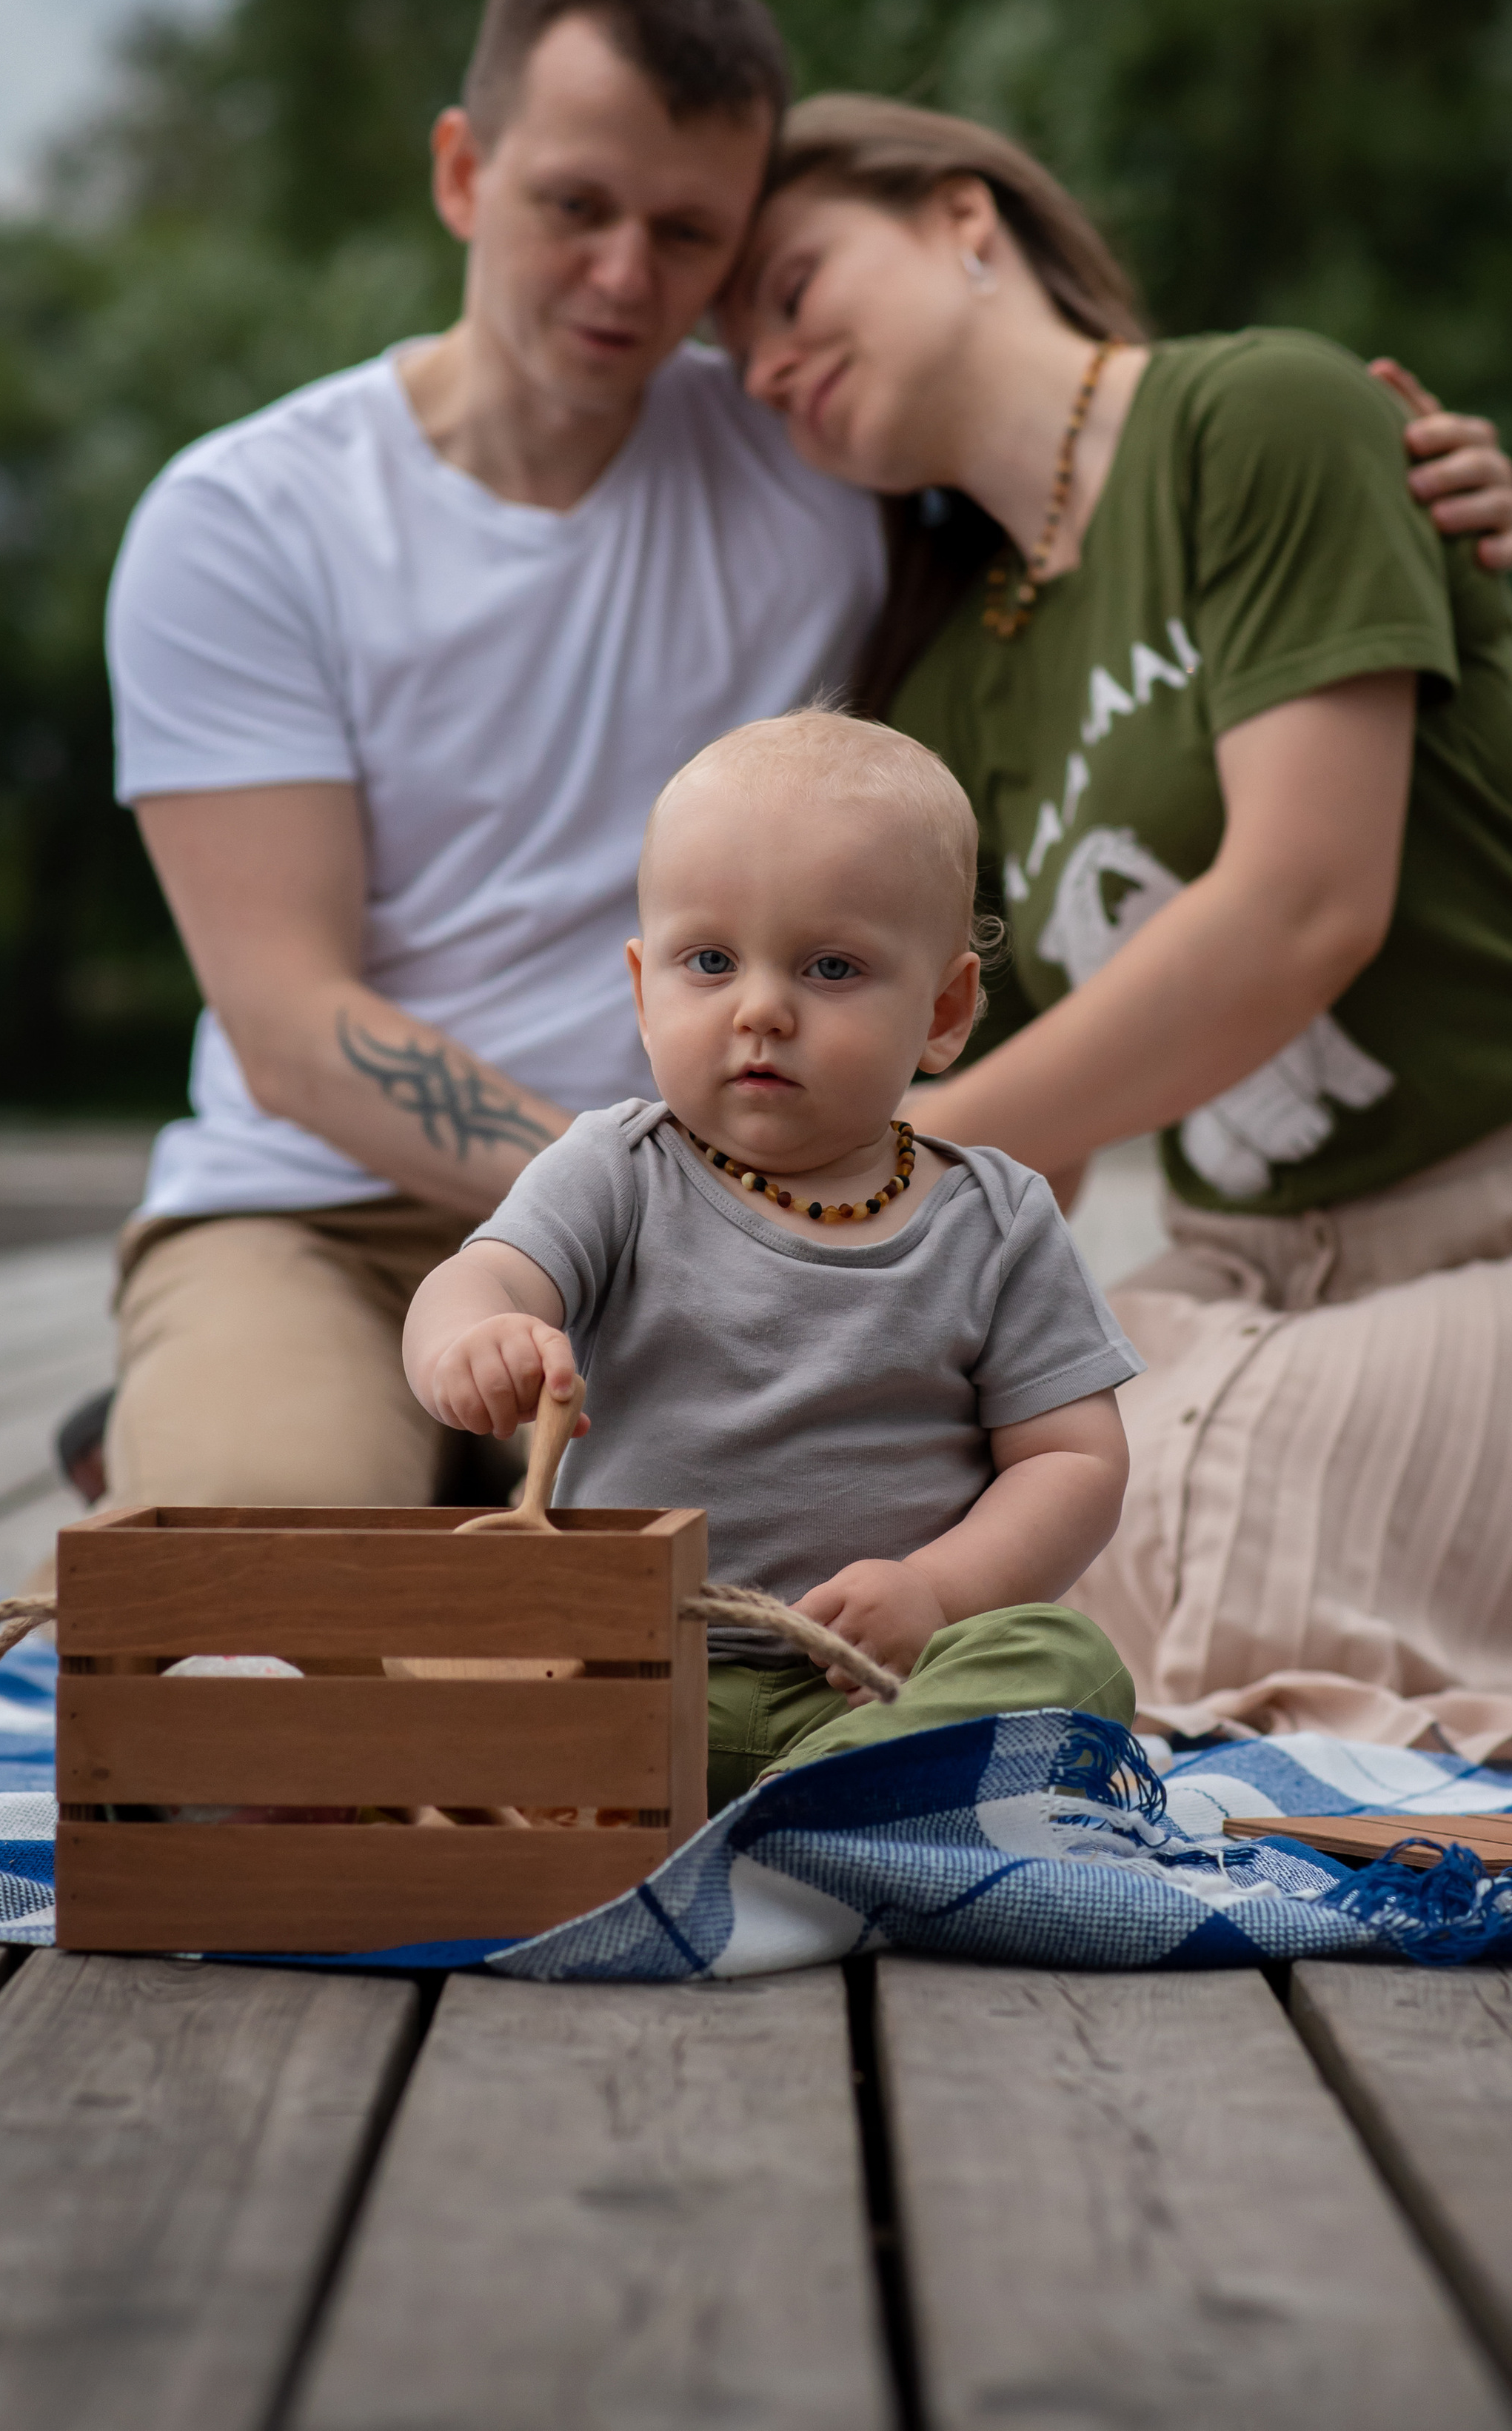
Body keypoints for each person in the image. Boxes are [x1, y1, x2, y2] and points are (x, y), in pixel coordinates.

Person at [92, 0, 1512, 1523]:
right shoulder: (244, 518)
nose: (627, 275)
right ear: (461, 174)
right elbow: (292, 1027)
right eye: (575, 205)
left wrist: (1420, 503)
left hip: (754, 1236)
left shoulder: (808, 452)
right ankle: (222, 1419)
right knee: (269, 1644)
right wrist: (646, 1196)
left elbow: (1102, 527)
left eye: (688, 232)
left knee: (797, 1627)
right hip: (334, 1216)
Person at [726, 93, 1512, 1768]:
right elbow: (1026, 1131)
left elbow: (1301, 906)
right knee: (968, 1516)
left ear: (963, 218)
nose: (769, 363)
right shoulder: (948, 676)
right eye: (741, 358)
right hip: (1261, 1275)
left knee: (1217, 1485)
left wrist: (872, 1153)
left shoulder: (1260, 416)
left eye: (790, 288)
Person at [404, 710, 1139, 1808]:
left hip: (870, 1688)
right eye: (710, 961)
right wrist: (473, 1339)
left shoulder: (996, 1217)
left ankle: (813, 1799)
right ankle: (784, 1818)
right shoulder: (619, 1168)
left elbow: (1074, 1461)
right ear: (643, 987)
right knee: (448, 1658)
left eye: (830, 967)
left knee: (1074, 1666)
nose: (760, 1008)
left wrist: (935, 1591)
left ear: (942, 1012)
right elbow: (481, 1278)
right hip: (637, 1672)